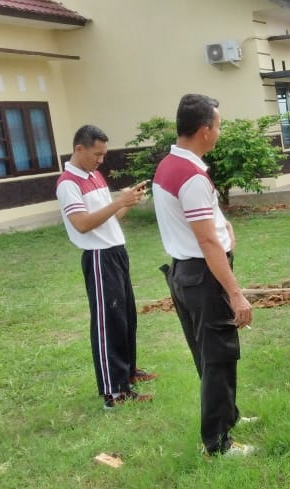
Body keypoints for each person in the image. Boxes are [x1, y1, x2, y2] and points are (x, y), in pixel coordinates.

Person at [153, 93, 255, 457]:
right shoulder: (190, 175)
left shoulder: (169, 165)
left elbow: (204, 223)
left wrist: (223, 224)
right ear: (203, 130)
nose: (220, 131)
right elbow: (207, 242)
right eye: (218, 125)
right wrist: (235, 293)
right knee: (218, 356)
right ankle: (217, 443)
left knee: (208, 353)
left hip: (186, 272)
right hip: (203, 275)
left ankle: (228, 414)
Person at [56, 124, 157, 410]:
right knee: (107, 323)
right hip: (98, 257)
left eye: (103, 154)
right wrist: (117, 202)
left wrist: (128, 203)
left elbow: (109, 218)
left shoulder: (95, 176)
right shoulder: (68, 184)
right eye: (97, 154)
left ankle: (127, 373)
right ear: (79, 149)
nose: (101, 159)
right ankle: (114, 392)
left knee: (125, 317)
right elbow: (83, 224)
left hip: (115, 251)